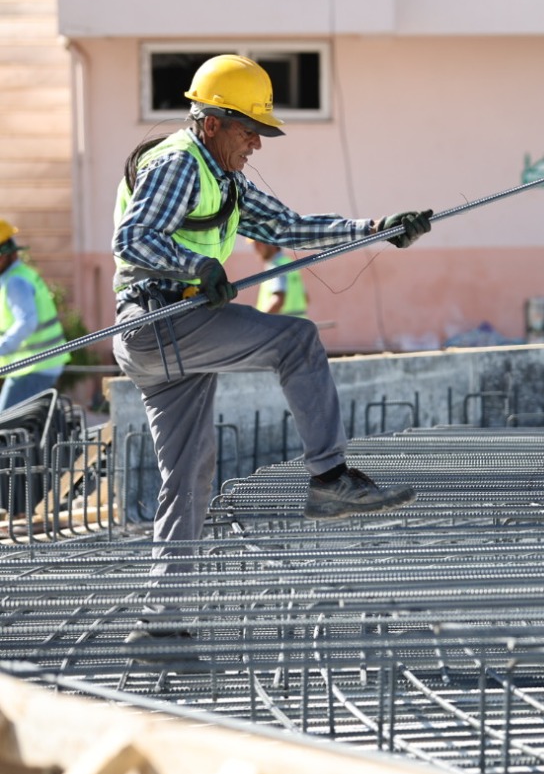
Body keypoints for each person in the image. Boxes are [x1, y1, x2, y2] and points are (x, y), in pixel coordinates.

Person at [112, 54, 431, 582]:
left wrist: (378, 229)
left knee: (189, 477)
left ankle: (162, 617)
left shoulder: (223, 177)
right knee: (298, 341)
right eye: (249, 130)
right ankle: (329, 477)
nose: (256, 143)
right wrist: (197, 264)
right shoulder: (180, 163)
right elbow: (134, 238)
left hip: (172, 331)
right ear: (211, 123)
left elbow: (289, 227)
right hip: (159, 318)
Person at [0, 219, 70, 410]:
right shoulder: (19, 275)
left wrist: (2, 347)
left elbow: (27, 322)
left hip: (35, 367)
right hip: (37, 365)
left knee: (4, 425)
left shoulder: (15, 282)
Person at [250, 237, 308, 317]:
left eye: (258, 243)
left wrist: (258, 320)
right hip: (299, 324)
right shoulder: (290, 263)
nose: (256, 248)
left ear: (272, 243)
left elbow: (278, 300)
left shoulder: (275, 266)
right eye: (254, 245)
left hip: (283, 326)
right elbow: (306, 298)